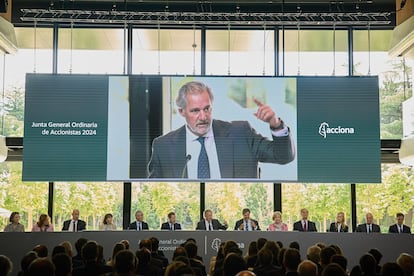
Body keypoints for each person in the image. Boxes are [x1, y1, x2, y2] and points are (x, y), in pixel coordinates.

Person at [147, 80, 295, 179]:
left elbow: (283, 157)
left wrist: (275, 124)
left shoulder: (240, 133)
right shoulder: (163, 147)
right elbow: (153, 191)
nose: (203, 116)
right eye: (195, 111)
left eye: (207, 108)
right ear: (181, 112)